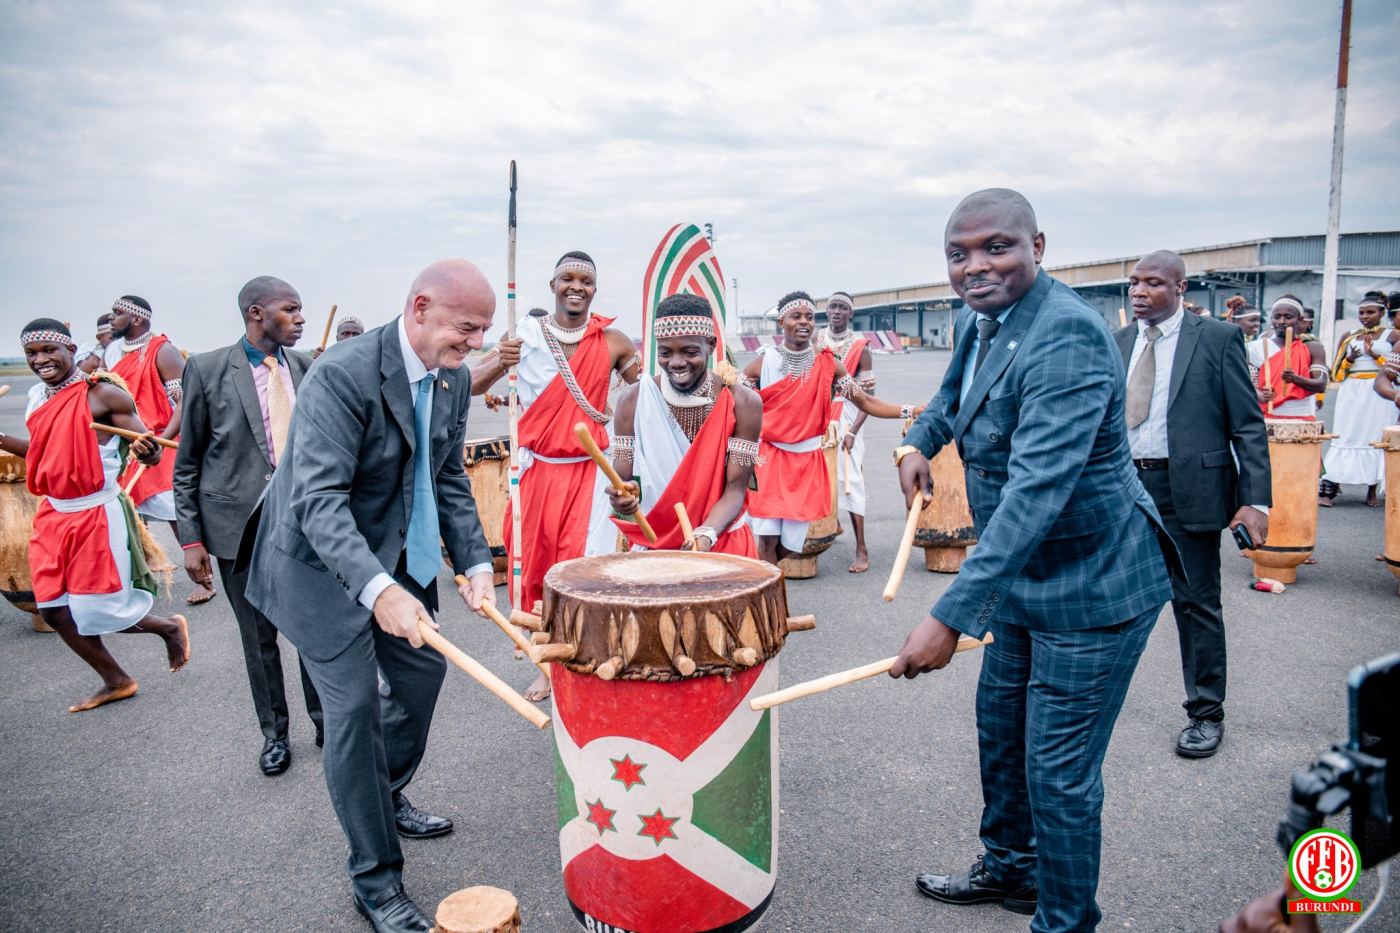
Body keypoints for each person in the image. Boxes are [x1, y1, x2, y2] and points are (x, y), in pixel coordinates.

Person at [890, 189, 1176, 932]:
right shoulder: (976, 317)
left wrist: (948, 616)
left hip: (1095, 583)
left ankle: (1064, 918)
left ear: (1038, 246)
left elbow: (1033, 497)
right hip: (1023, 581)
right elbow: (955, 394)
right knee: (1003, 734)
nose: (976, 267)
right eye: (959, 253)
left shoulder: (1070, 339)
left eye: (997, 248)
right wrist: (919, 439)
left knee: (1059, 772)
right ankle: (1012, 870)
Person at [242, 259, 498, 933]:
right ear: (419, 308)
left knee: (422, 671)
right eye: (465, 329)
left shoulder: (452, 377)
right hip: (316, 566)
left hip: (390, 552)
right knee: (352, 707)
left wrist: (475, 560)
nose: (473, 344)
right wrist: (377, 589)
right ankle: (375, 880)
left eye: (481, 333)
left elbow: (447, 474)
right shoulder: (343, 373)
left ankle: (382, 793)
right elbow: (318, 499)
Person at [1115, 250, 1271, 759]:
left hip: (1189, 493)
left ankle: (1206, 713)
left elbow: (1247, 425)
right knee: (1109, 599)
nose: (1140, 292)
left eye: (1154, 283)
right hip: (1122, 491)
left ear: (1181, 288)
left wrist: (1255, 502)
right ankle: (1091, 704)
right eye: (1135, 283)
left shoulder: (1219, 340)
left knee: (1196, 605)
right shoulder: (1115, 343)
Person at [470, 251, 639, 703]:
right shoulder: (522, 335)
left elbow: (647, 396)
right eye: (568, 278)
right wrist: (498, 361)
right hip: (539, 473)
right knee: (539, 572)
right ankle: (546, 668)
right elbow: (470, 385)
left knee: (587, 569)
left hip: (591, 474)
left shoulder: (615, 341)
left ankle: (588, 660)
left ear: (595, 289)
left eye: (586, 280)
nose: (577, 287)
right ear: (553, 284)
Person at [174, 276, 324, 777]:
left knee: (311, 630)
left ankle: (326, 721)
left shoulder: (304, 367)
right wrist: (190, 540)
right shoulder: (209, 369)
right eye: (291, 309)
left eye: (302, 310)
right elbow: (188, 460)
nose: (301, 318)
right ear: (256, 313)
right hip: (237, 528)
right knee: (258, 638)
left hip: (302, 523)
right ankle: (275, 734)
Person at [0, 320, 190, 713]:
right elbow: (43, 455)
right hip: (53, 512)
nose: (41, 360)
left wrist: (147, 451)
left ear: (71, 349)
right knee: (52, 609)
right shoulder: (38, 396)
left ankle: (169, 627)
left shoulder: (103, 395)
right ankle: (116, 680)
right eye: (32, 354)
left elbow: (148, 447)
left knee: (96, 610)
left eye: (49, 351)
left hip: (95, 512)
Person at [741, 291, 913, 566]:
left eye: (809, 317)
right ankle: (773, 604)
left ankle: (769, 590)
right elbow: (735, 403)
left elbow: (866, 401)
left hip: (808, 461)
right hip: (771, 460)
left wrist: (910, 410)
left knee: (791, 544)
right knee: (767, 540)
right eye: (796, 316)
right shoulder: (764, 362)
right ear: (781, 322)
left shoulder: (828, 363)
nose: (804, 322)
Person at [606, 293, 762, 556]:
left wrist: (705, 535)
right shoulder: (632, 400)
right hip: (656, 546)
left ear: (710, 345)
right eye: (665, 353)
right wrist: (622, 499)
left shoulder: (743, 402)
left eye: (690, 352)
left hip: (721, 541)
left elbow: (735, 490)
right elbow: (623, 482)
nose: (676, 363)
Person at [104, 295, 216, 604]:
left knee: (175, 514)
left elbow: (185, 400)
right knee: (129, 514)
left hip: (162, 444)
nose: (111, 318)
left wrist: (160, 438)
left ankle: (205, 581)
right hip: (127, 445)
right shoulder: (112, 351)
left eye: (118, 313)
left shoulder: (162, 352)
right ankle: (138, 577)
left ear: (138, 319)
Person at [817, 291, 877, 572]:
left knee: (851, 477)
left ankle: (861, 549)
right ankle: (832, 525)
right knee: (819, 473)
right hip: (818, 415)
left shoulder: (861, 348)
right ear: (826, 312)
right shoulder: (815, 341)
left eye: (842, 308)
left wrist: (853, 431)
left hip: (848, 415)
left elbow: (870, 398)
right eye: (832, 307)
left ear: (850, 314)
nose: (837, 312)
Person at [1319, 292, 1394, 507]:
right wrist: (1349, 360)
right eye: (1361, 312)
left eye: (1370, 312)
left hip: (1378, 393)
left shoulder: (1392, 336)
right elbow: (1336, 374)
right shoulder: (1350, 336)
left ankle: (1371, 491)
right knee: (1346, 436)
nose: (1365, 317)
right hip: (1352, 391)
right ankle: (1330, 487)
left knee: (1374, 437)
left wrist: (1374, 356)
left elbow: (1394, 370)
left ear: (1382, 313)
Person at [1247, 297, 1328, 420]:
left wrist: (1295, 378)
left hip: (1301, 416)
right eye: (1277, 317)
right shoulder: (1255, 347)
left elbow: (1321, 385)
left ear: (1300, 320)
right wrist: (1261, 395)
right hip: (1265, 416)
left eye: (1288, 317)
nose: (1281, 321)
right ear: (1271, 319)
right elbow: (1246, 382)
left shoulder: (1313, 347)